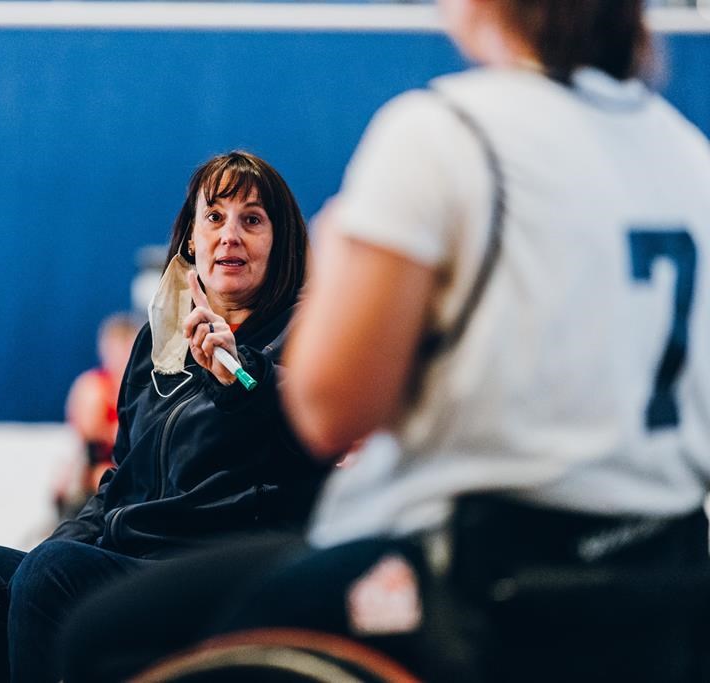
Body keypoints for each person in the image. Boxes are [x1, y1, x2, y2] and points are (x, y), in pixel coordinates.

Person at [57, 1, 710, 680]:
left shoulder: (448, 133)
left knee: (104, 632)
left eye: (250, 218)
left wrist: (339, 266)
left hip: (478, 580)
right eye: (215, 217)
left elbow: (328, 414)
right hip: (661, 575)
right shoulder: (689, 157)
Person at [0, 150, 331, 683]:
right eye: (214, 217)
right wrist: (54, 546)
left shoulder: (307, 332)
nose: (230, 235)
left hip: (223, 566)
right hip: (129, 557)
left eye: (252, 220)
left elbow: (306, 410)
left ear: (279, 244)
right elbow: (120, 479)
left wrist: (238, 372)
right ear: (191, 240)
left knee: (52, 576)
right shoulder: (156, 342)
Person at [63, 312, 141, 498]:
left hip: (133, 462)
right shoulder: (93, 386)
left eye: (127, 349)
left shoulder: (144, 386)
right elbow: (90, 438)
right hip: (98, 463)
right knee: (101, 475)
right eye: (116, 349)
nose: (121, 357)